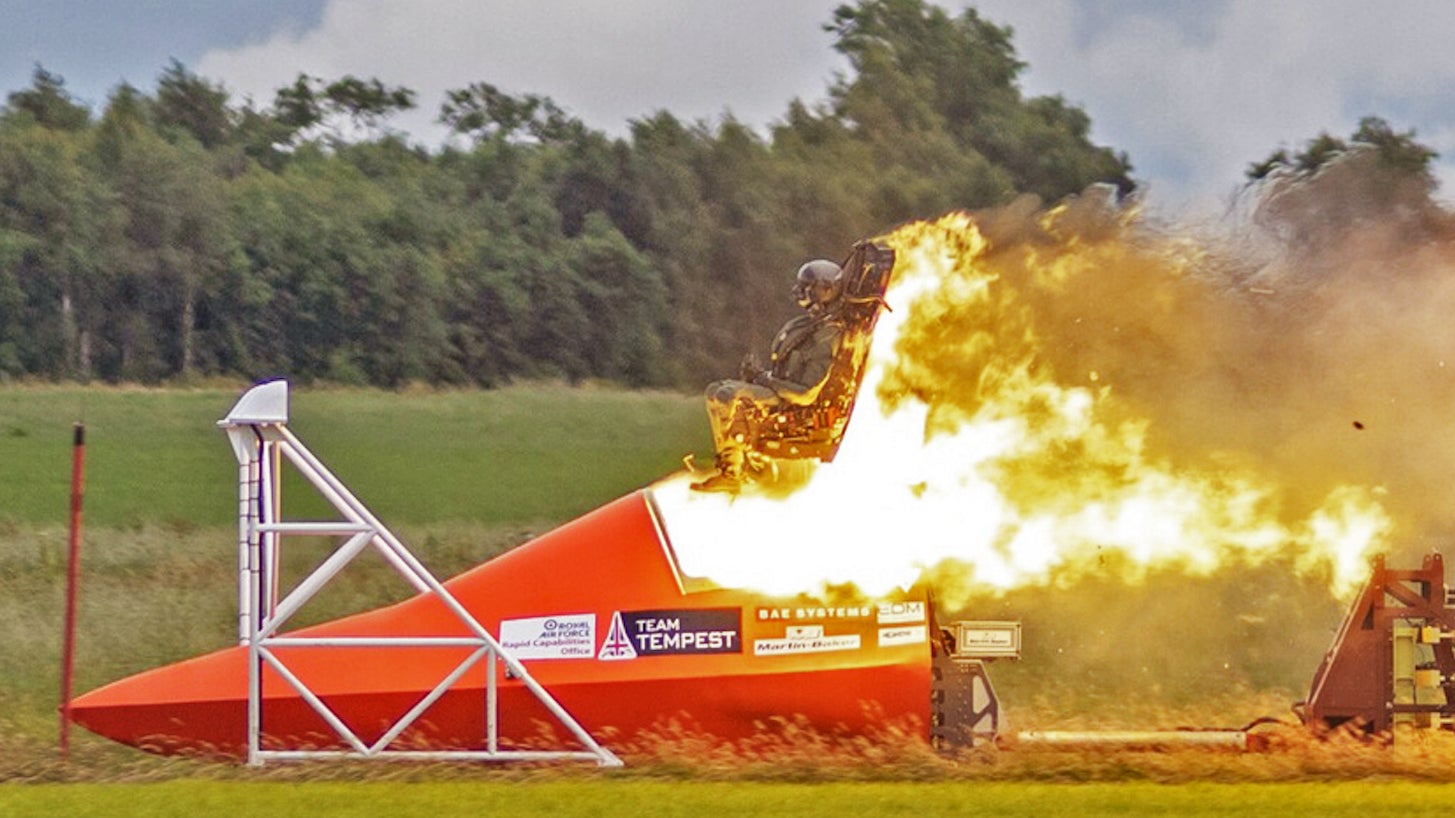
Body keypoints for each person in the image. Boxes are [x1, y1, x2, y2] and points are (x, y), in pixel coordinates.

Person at [691, 259, 847, 492]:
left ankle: (733, 472)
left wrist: (761, 378)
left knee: (727, 395)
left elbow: (805, 394)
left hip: (794, 402)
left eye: (808, 287)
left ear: (825, 290)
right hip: (780, 390)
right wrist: (759, 377)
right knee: (715, 391)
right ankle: (731, 465)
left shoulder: (827, 336)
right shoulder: (807, 326)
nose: (801, 292)